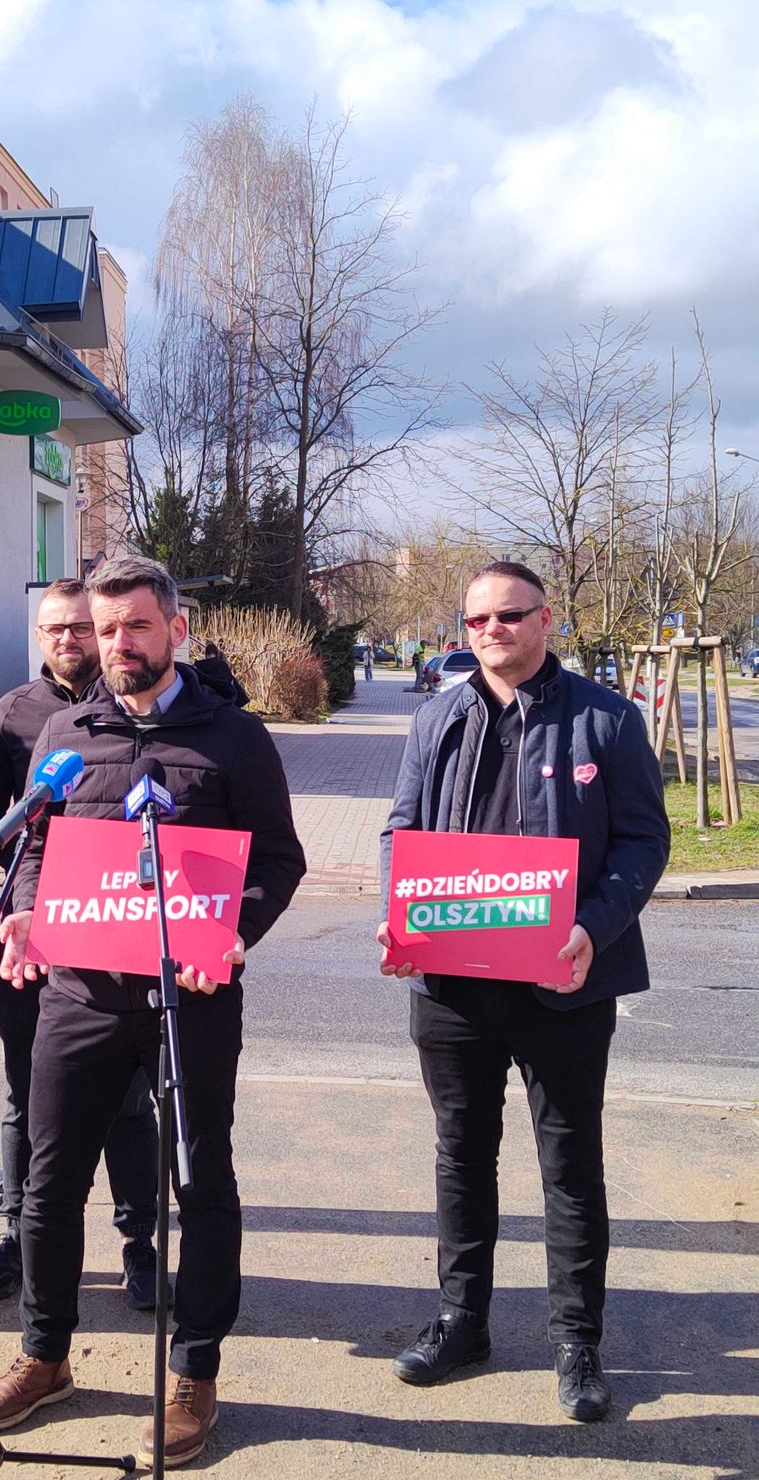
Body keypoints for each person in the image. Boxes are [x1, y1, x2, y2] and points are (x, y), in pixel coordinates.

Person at [0, 554, 306, 1468]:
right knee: (48, 1175)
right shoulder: (63, 732)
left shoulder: (233, 737)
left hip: (190, 993)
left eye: (136, 628)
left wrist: (239, 931)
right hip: (80, 991)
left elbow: (279, 859)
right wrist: (27, 908)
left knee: (203, 1179)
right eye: (105, 631)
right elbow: (36, 843)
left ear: (176, 630)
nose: (117, 646)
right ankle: (44, 1355)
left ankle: (194, 1372)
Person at [376, 562, 669, 1422]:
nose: (492, 630)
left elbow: (644, 844)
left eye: (509, 615)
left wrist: (592, 930)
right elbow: (402, 828)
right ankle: (462, 1321)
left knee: (570, 1164)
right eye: (476, 619)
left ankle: (577, 1341)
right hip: (451, 984)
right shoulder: (437, 715)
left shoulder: (607, 720)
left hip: (566, 981)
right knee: (461, 1155)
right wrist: (400, 912)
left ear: (547, 620)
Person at [0, 578, 161, 1309]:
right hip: (32, 938)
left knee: (130, 1103)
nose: (70, 642)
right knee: (25, 1098)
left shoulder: (137, 709)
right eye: (54, 631)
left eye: (82, 628)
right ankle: (19, 1232)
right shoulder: (15, 716)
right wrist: (35, 890)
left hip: (122, 942)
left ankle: (140, 1242)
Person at [193, 639, 250, 708]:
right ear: (216, 653)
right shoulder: (222, 665)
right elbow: (229, 683)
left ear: (206, 654)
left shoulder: (198, 666)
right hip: (223, 700)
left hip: (205, 700)